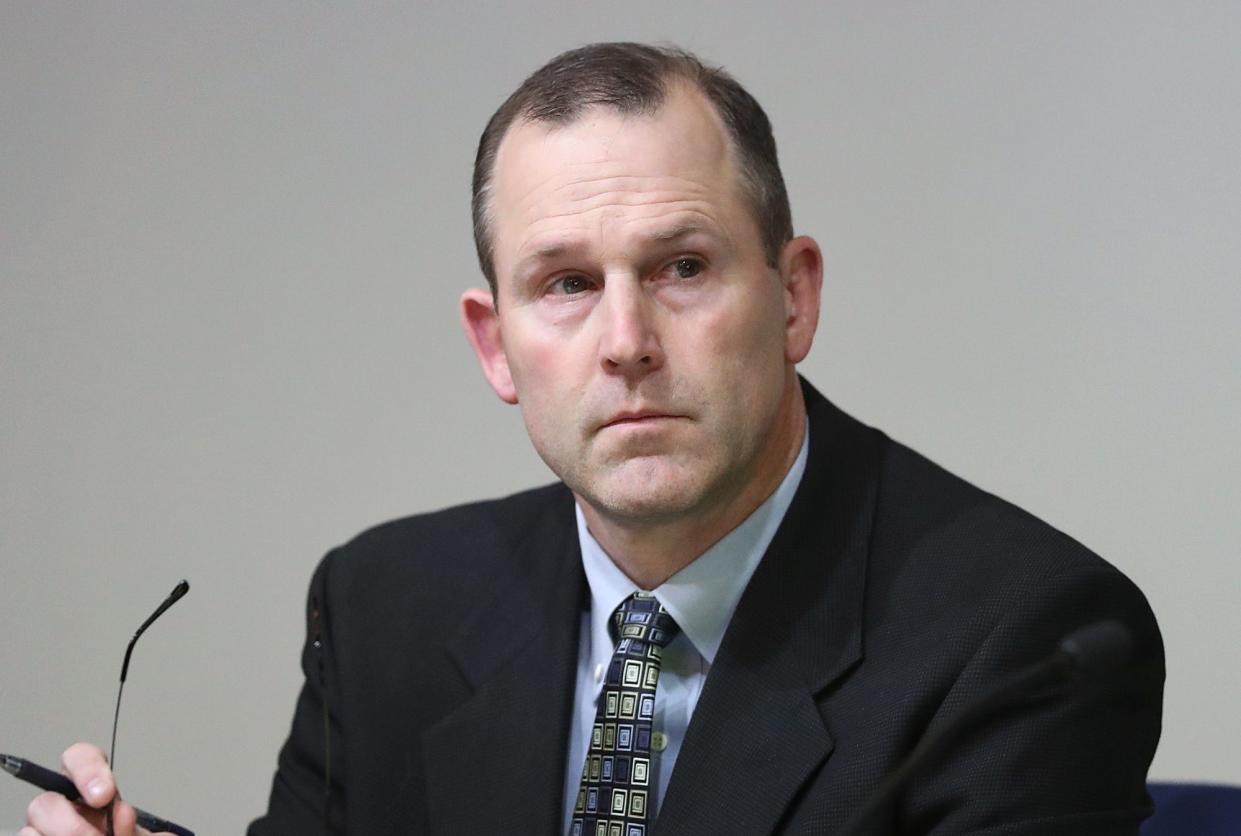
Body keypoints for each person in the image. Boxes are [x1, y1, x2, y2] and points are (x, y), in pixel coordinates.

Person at [22, 42, 1163, 836]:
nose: (626, 340)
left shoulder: (1027, 636)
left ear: (793, 295)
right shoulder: (383, 606)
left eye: (681, 266)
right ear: (496, 346)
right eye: (565, 283)